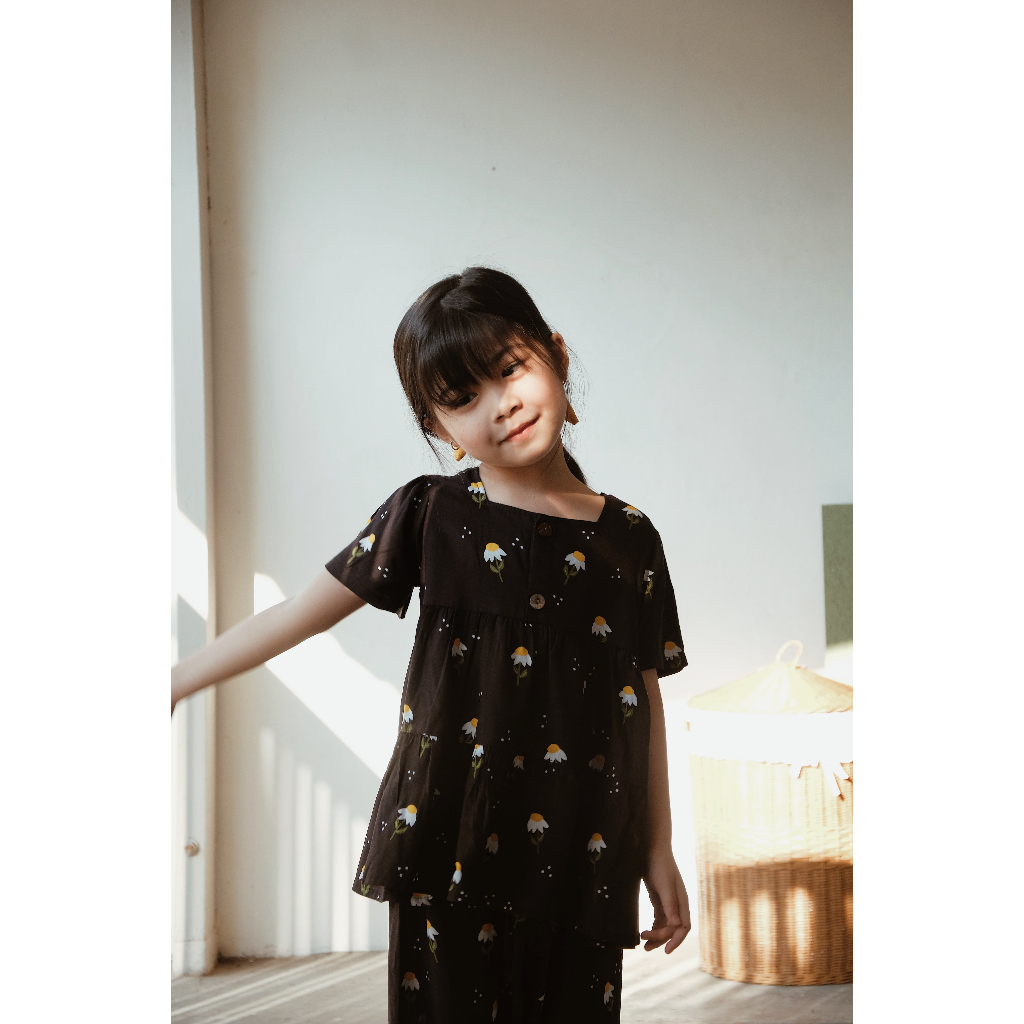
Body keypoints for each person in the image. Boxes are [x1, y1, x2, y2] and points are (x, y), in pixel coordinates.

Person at [171, 267, 691, 1022]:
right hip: (449, 837)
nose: (500, 405)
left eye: (509, 369)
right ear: (439, 429)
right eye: (462, 398)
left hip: (583, 848)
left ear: (556, 354)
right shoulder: (429, 514)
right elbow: (300, 613)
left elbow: (642, 698)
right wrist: (175, 680)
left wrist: (657, 847)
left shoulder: (630, 541)